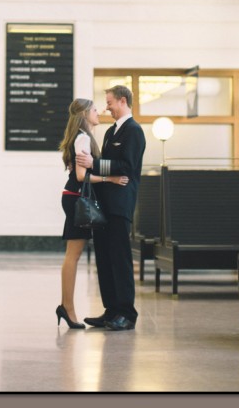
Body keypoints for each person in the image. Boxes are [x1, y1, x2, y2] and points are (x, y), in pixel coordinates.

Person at [75, 84, 146, 331]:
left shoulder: (134, 131)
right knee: (104, 258)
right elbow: (105, 164)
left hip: (120, 205)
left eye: (110, 102)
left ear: (123, 101)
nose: (107, 107)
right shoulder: (110, 133)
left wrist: (95, 163)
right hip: (104, 205)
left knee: (120, 259)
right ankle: (111, 310)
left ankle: (127, 313)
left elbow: (126, 166)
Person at [57, 98, 129, 330]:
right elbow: (80, 175)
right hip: (78, 198)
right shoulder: (83, 137)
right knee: (73, 256)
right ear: (85, 114)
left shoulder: (81, 136)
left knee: (72, 255)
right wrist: (111, 178)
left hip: (73, 197)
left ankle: (65, 306)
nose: (99, 112)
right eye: (95, 109)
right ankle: (67, 308)